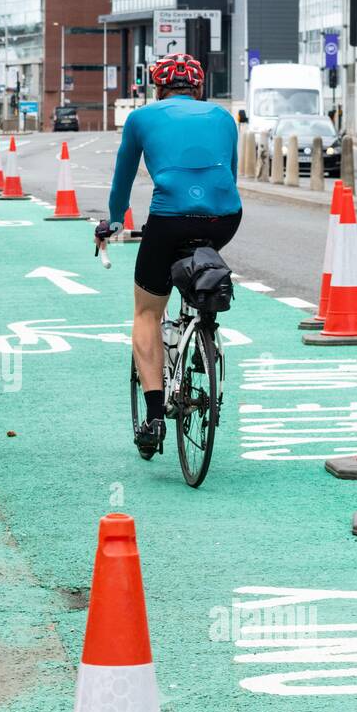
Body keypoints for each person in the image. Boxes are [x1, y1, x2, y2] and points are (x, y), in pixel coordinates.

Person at [94, 52, 242, 461]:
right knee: (198, 259)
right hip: (225, 218)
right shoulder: (224, 117)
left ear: (158, 89)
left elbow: (122, 179)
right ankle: (203, 323)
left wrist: (111, 222)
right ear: (199, 89)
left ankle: (155, 416)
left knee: (146, 313)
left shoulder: (142, 118)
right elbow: (230, 172)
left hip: (169, 219)